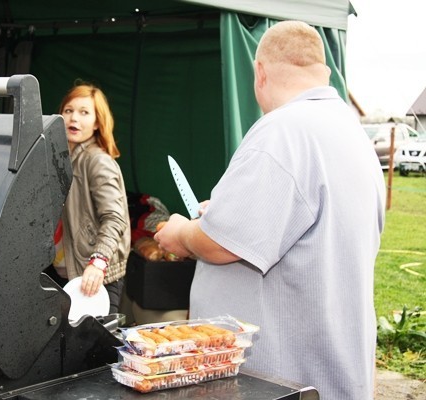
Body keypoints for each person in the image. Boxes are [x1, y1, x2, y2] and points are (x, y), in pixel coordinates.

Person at [154, 20, 385, 400]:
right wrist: (228, 211)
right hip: (333, 373)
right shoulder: (352, 132)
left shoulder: (283, 130)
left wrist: (181, 233)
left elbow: (219, 245)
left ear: (259, 72)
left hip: (280, 380)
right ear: (323, 71)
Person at [47, 81, 130, 314]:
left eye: (84, 112)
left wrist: (98, 262)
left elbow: (115, 218)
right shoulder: (62, 159)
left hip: (94, 277)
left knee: (96, 349)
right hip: (66, 273)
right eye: (68, 110)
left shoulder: (97, 161)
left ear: (97, 122)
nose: (74, 118)